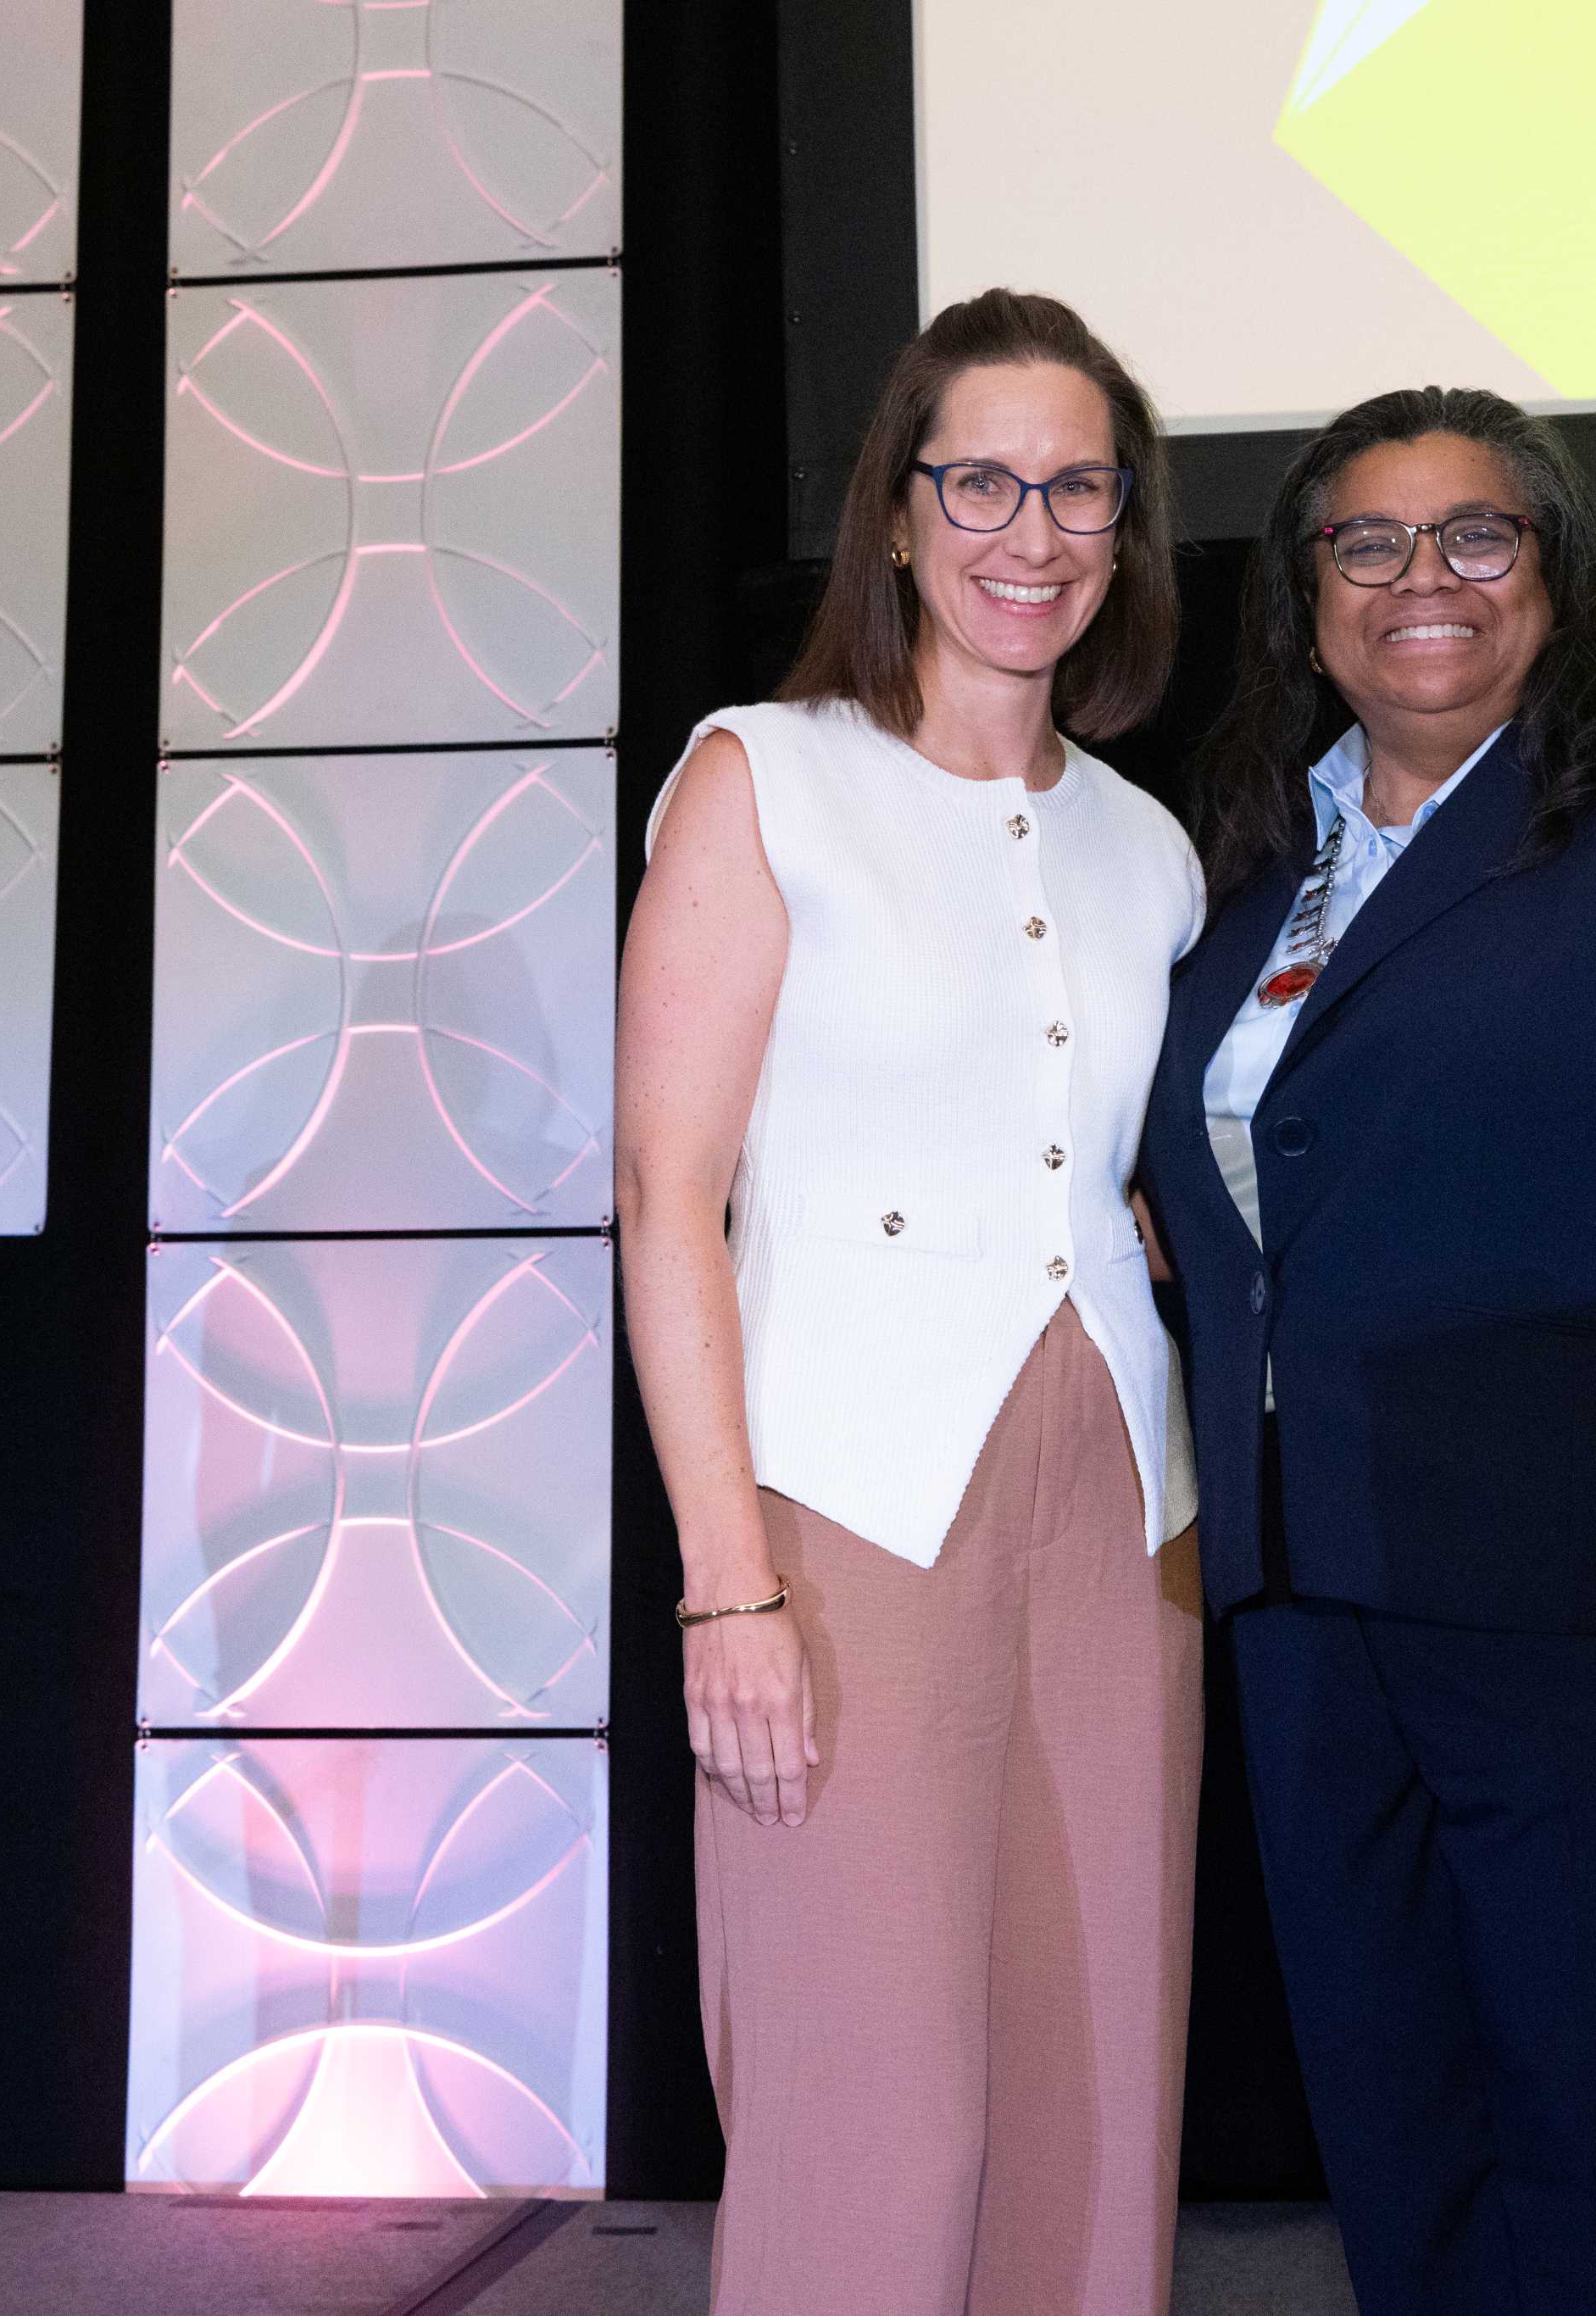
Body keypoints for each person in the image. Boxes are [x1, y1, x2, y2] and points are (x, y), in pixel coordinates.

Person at [1140, 387, 1596, 2314]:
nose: (1426, 577)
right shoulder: (1241, 866)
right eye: (1368, 540)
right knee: (1403, 2118)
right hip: (1308, 1593)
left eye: (1478, 534)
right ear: (1306, 595)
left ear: (1555, 574)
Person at [614, 288, 1206, 2316]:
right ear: (895, 509)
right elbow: (664, 1196)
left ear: (1124, 524)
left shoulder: (1147, 851)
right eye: (981, 482)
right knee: (877, 2115)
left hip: (1123, 1513)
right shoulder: (760, 775)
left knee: (1094, 2108)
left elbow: (1109, 1158)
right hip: (846, 1505)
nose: (1030, 532)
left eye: (1078, 489)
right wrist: (726, 1587)